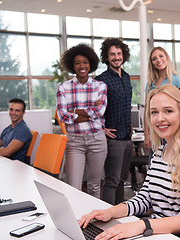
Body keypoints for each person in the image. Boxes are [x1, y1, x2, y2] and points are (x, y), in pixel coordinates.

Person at [79, 84, 180, 240]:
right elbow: (146, 197)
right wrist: (110, 212)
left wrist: (141, 225)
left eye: (168, 111)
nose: (159, 118)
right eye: (154, 112)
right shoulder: (160, 151)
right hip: (161, 230)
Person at [57, 43, 107, 199]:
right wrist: (90, 110)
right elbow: (62, 116)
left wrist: (74, 111)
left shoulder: (100, 86)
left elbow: (100, 112)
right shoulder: (63, 87)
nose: (82, 66)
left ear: (91, 64)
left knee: (95, 185)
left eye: (85, 62)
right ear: (72, 65)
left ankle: (95, 220)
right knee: (74, 187)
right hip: (74, 142)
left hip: (97, 139)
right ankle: (77, 220)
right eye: (78, 63)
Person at [95, 38, 133, 205]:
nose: (116, 57)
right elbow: (92, 109)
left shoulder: (126, 77)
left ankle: (119, 217)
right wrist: (101, 129)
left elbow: (127, 105)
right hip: (113, 139)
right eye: (112, 54)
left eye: (119, 53)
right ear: (106, 57)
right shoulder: (100, 80)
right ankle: (107, 217)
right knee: (111, 181)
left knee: (122, 181)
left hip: (127, 137)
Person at [144, 46, 180, 150]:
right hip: (156, 133)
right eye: (154, 59)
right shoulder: (150, 84)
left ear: (166, 58)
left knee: (174, 162)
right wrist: (146, 135)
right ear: (151, 63)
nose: (158, 60)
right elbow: (147, 111)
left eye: (161, 56)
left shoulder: (176, 79)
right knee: (156, 164)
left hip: (174, 132)